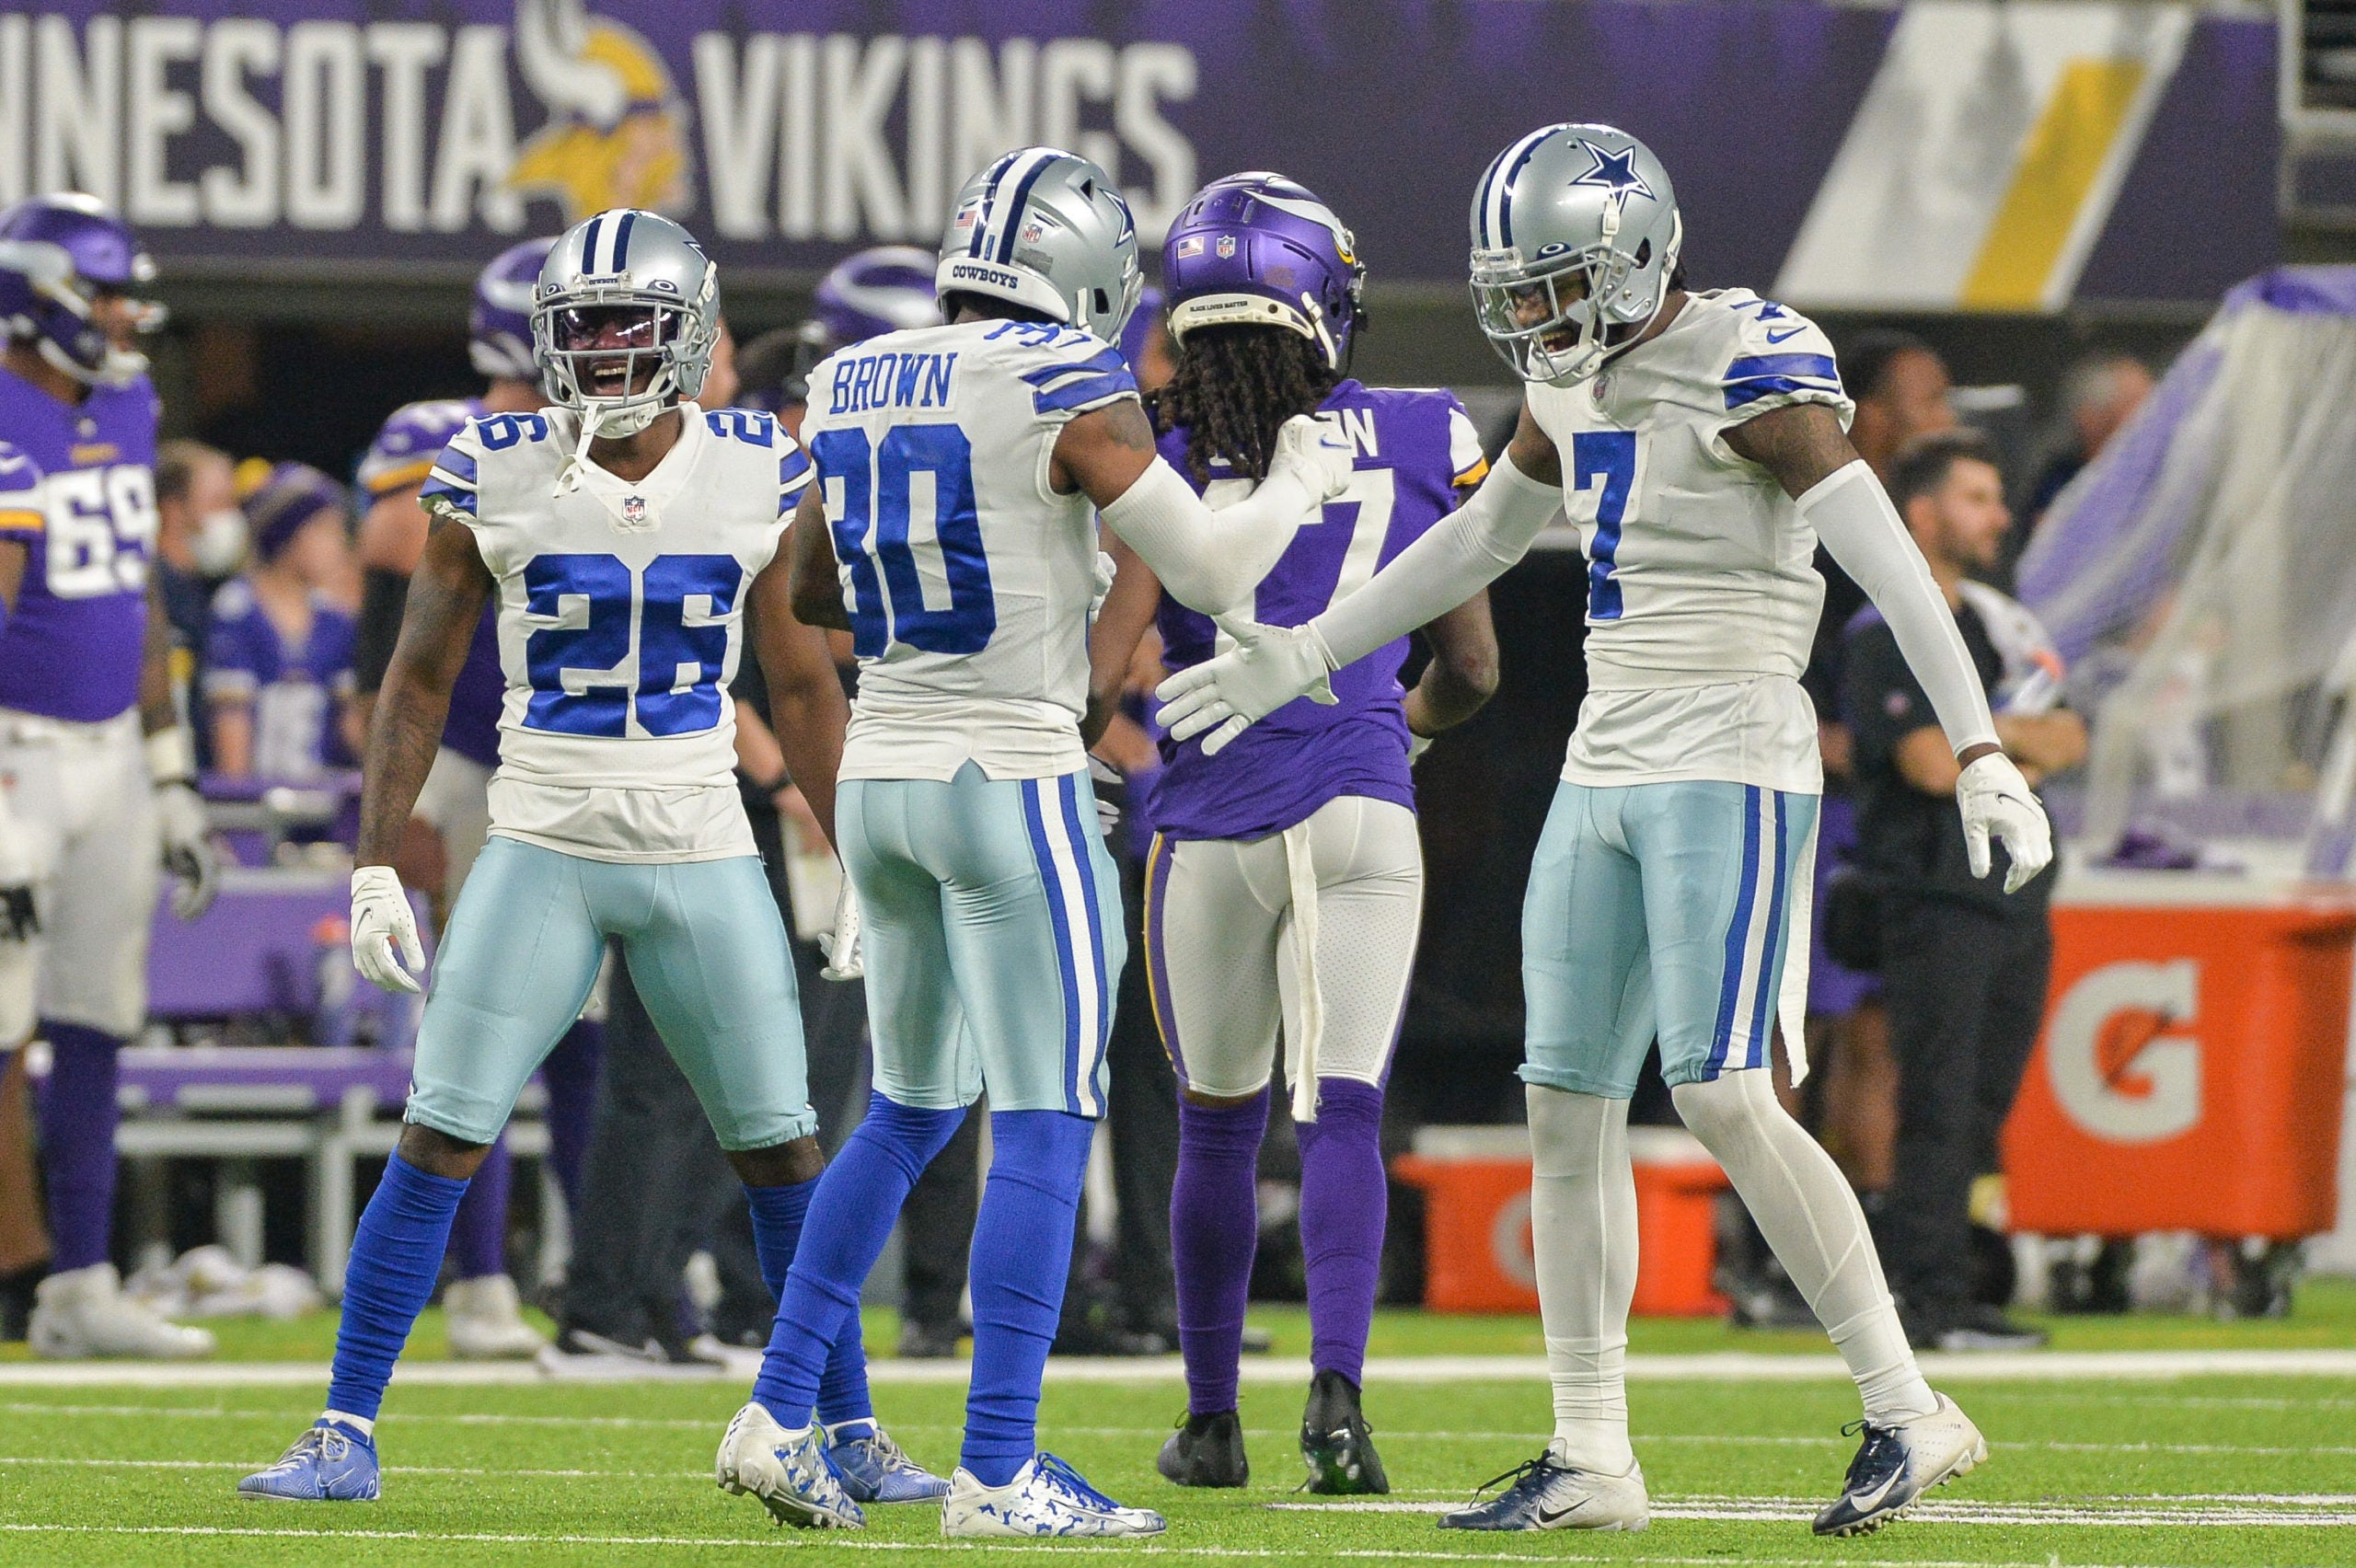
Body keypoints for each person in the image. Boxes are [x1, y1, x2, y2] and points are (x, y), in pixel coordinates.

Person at [1153, 123, 2055, 1538]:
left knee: (1719, 1093)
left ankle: (1907, 1408)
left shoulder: (1751, 359)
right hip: (1607, 751)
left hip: (1734, 746)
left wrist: (1983, 740)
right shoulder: (1560, 380)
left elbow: (1885, 553)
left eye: (1553, 286)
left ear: (1636, 257)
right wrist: (1307, 649)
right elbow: (1477, 544)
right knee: (1563, 1102)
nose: (1530, 318)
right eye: (1511, 290)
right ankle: (1592, 1454)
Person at [237, 208, 933, 1504]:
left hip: (702, 840)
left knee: (782, 1145)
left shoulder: (754, 465)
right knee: (441, 1126)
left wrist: (853, 860)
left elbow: (801, 682)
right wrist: (376, 860)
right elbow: (416, 676)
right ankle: (344, 1428)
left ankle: (848, 1431)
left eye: (634, 330)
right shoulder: (491, 464)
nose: (610, 357)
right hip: (541, 836)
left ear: (692, 334)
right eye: (587, 332)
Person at [729, 144, 1354, 1537]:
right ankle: (998, 1465)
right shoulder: (1067, 379)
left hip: (882, 771)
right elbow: (1213, 570)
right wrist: (1301, 476)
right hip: (1006, 765)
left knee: (904, 1107)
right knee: (1048, 1113)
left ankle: (778, 1411)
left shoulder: (848, 376)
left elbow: (821, 587)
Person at [1089, 174, 1498, 1491]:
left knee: (1217, 1125)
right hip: (1364, 806)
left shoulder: (1146, 440)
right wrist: (1395, 733)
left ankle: (1213, 1423)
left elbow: (1110, 655)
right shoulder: (1433, 430)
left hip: (1206, 816)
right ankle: (1338, 1406)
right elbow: (1477, 669)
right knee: (1341, 1113)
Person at [734, 253, 990, 1364]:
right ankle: (779, 1313)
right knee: (852, 1077)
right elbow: (793, 646)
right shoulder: (795, 467)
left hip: (898, 769)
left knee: (933, 1084)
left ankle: (917, 1306)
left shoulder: (890, 449)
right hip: (891, 774)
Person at [350, 238, 601, 1360]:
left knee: (588, 1029)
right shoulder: (443, 434)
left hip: (569, 757)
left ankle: (601, 1272)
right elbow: (392, 545)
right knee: (476, 1023)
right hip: (464, 757)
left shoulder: (610, 432)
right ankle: (485, 1277)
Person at [0, 194, 221, 1359]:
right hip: (13, 755)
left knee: (94, 1019)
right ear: (42, 294)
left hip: (109, 756)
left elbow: (138, 595)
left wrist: (171, 763)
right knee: (0, 1020)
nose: (127, 316)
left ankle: (76, 1284)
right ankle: (25, 1269)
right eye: (105, 293)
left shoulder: (128, 402)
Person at [1842, 431, 2084, 1352]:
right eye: (1977, 497)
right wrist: (2016, 740)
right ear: (1924, 512)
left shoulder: (1998, 624)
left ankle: (1952, 1286)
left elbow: (2074, 739)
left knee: (1981, 1105)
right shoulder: (1880, 630)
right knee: (1937, 1102)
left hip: (2016, 898)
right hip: (1934, 895)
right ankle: (1925, 1299)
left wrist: (1995, 740)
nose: (1998, 516)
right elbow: (1929, 765)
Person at [202, 464, 359, 781]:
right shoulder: (237, 611)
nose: (339, 545)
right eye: (326, 530)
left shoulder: (334, 618)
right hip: (258, 806)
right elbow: (232, 733)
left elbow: (353, 727)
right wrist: (242, 816)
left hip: (322, 804)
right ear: (288, 536)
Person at [152, 439, 245, 659]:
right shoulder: (152, 596)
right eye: (219, 502)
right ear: (173, 512)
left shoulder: (219, 589)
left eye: (234, 503)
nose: (232, 516)